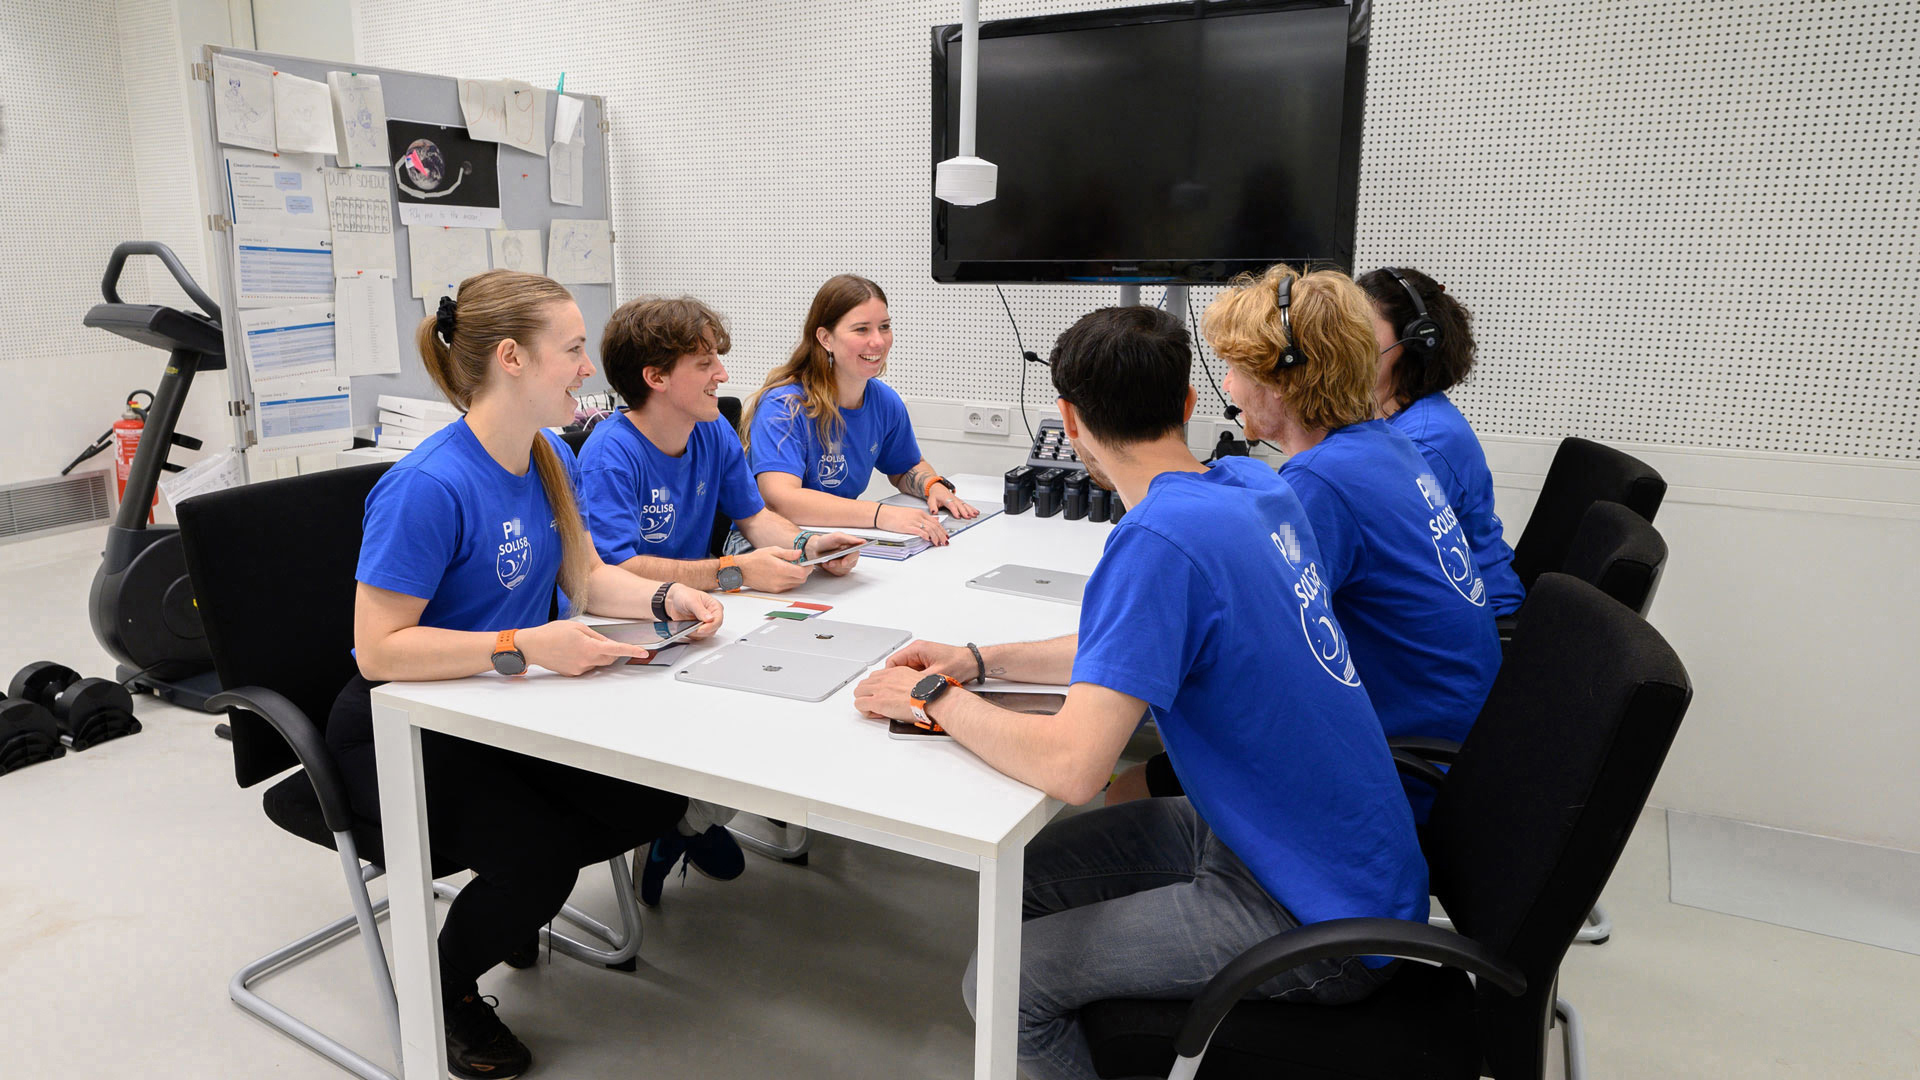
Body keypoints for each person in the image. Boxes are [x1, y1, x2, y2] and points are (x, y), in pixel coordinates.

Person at [852, 305, 1428, 1080]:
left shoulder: (1158, 539)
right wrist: (977, 661)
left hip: (1316, 916)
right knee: (1025, 881)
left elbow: (1075, 769)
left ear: (1069, 419)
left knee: (1004, 983)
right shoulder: (1251, 487)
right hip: (1299, 849)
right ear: (1190, 405)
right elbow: (1133, 643)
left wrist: (933, 697)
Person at [325, 270, 725, 1080]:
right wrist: (526, 645)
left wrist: (663, 594)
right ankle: (444, 987)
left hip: (496, 704)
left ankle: (509, 910)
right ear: (511, 357)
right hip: (401, 723)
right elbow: (379, 651)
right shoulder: (427, 486)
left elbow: (582, 577)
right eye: (573, 350)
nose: (588, 367)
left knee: (645, 797)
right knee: (537, 857)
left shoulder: (543, 453)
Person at [1128, 263, 1496, 821]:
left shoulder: (1320, 483)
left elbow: (1238, 638)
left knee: (1134, 781)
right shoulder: (1384, 447)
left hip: (1400, 769)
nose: (1226, 386)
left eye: (1234, 368)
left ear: (1285, 378)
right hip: (1458, 742)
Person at [576, 295, 865, 904]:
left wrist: (812, 546)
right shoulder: (610, 452)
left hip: (692, 620)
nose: (724, 376)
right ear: (656, 378)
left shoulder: (712, 431)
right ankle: (677, 816)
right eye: (705, 364)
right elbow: (616, 568)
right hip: (626, 626)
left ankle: (686, 820)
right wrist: (735, 573)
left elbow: (757, 517)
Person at [744, 274, 979, 544]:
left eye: (884, 327)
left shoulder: (885, 401)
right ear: (825, 339)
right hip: (764, 546)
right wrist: (881, 514)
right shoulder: (785, 407)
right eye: (861, 330)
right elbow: (782, 499)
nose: (878, 342)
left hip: (833, 541)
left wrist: (931, 486)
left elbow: (905, 467)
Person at [1358, 266, 1524, 616]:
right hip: (1438, 601)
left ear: (1415, 342)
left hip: (1475, 616)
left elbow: (1371, 549)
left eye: (1361, 329)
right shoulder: (1390, 415)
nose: (1346, 342)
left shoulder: (1424, 441)